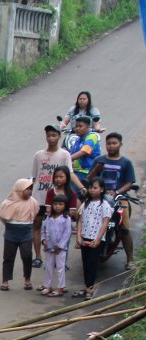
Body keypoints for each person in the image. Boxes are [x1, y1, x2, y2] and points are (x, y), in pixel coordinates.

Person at [88, 132, 137, 267]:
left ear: (120, 144)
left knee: (124, 228)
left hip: (119, 199)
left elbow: (129, 182)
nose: (111, 146)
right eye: (108, 143)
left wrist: (116, 192)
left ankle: (130, 259)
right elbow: (89, 179)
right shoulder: (99, 160)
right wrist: (96, 169)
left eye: (114, 143)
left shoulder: (126, 162)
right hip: (99, 199)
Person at [31, 125, 75, 266]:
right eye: (48, 135)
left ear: (59, 136)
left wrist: (80, 188)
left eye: (54, 135)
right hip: (39, 196)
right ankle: (38, 256)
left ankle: (60, 257)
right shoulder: (39, 155)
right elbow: (34, 177)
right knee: (37, 226)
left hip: (58, 197)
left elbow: (70, 174)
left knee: (60, 227)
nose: (51, 138)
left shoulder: (64, 155)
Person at [0, 178, 38, 291]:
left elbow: (35, 214)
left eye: (31, 189)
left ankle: (27, 280)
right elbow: (2, 216)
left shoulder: (33, 202)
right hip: (11, 232)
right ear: (19, 189)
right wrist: (11, 224)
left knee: (27, 256)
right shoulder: (8, 203)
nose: (29, 191)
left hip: (26, 232)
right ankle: (5, 281)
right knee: (8, 257)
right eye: (27, 189)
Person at [76, 179, 113, 299]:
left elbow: (105, 223)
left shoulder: (104, 205)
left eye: (95, 188)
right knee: (85, 263)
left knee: (92, 263)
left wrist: (98, 239)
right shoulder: (85, 203)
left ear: (101, 189)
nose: (92, 190)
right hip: (85, 236)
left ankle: (90, 288)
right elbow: (80, 220)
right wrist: (78, 236)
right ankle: (87, 286)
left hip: (95, 239)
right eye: (90, 187)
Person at [40, 195, 72, 298]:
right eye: (55, 204)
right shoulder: (49, 218)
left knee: (60, 267)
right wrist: (43, 239)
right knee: (48, 267)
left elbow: (67, 233)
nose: (57, 206)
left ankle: (60, 288)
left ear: (65, 206)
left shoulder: (66, 219)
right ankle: (48, 286)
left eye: (60, 204)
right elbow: (43, 230)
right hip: (49, 247)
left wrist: (60, 246)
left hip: (60, 249)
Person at [66, 114, 101, 185]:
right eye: (76, 126)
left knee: (70, 189)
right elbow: (72, 154)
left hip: (86, 172)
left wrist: (66, 158)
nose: (77, 128)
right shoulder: (78, 139)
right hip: (75, 171)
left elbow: (83, 152)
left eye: (80, 126)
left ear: (88, 127)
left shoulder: (92, 137)